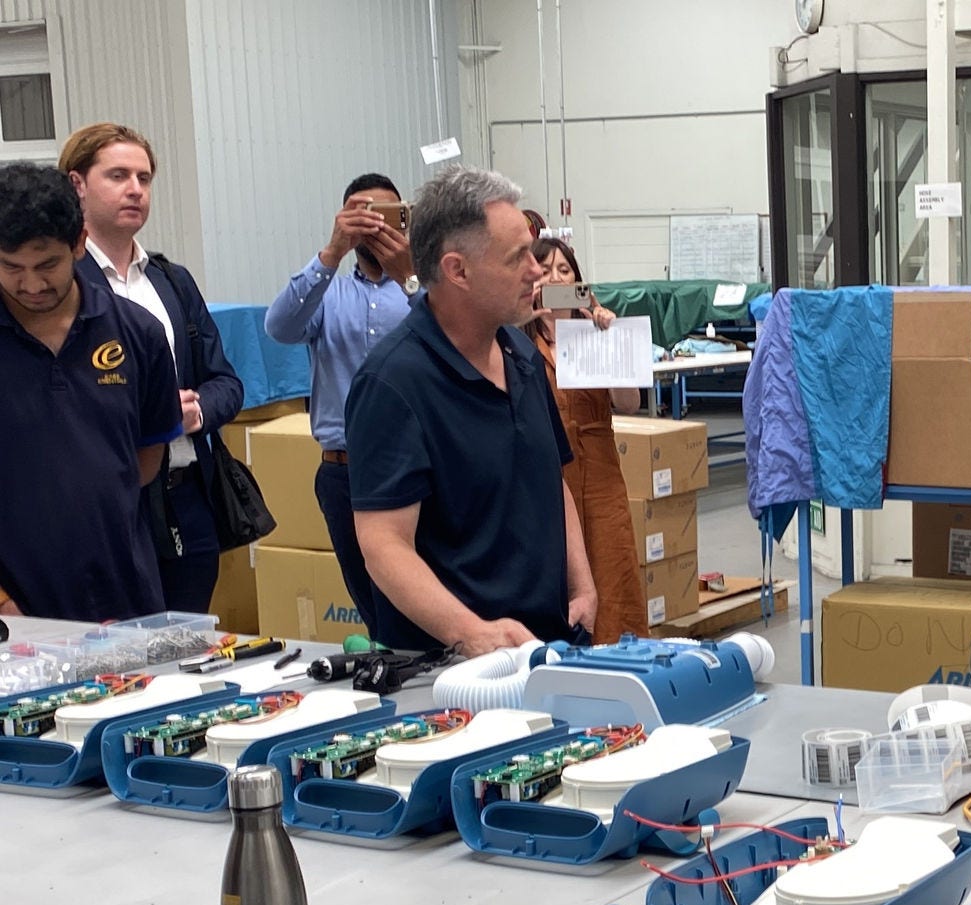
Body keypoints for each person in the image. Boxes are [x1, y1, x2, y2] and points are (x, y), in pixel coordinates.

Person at [343, 165, 595, 656]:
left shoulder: (521, 357)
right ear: (458, 270)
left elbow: (552, 479)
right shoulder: (394, 383)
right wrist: (471, 632)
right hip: (453, 673)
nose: (537, 270)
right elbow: (383, 546)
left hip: (548, 646)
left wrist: (582, 585)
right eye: (517, 257)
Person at [61, 122, 244, 613]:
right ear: (77, 184)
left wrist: (194, 411)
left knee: (186, 650)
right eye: (118, 175)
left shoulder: (171, 280)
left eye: (144, 178)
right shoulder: (58, 287)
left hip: (185, 496)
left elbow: (226, 380)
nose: (135, 190)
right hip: (105, 505)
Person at [0, 162, 181, 621]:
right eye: (11, 267)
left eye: (47, 264)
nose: (32, 284)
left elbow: (144, 459)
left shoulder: (138, 333)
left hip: (126, 598)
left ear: (80, 243)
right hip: (15, 613)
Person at [264, 172, 418, 621]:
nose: (375, 226)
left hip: (412, 469)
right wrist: (332, 253)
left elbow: (452, 337)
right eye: (362, 214)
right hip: (343, 472)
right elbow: (280, 327)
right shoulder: (328, 291)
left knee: (416, 604)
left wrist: (409, 274)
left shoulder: (422, 292)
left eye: (387, 215)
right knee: (371, 608)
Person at [524, 235, 647, 643]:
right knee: (554, 571)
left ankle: (622, 662)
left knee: (613, 569)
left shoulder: (594, 334)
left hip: (600, 474)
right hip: (544, 476)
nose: (555, 278)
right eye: (544, 271)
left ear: (578, 281)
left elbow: (629, 403)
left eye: (565, 271)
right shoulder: (517, 343)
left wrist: (613, 338)